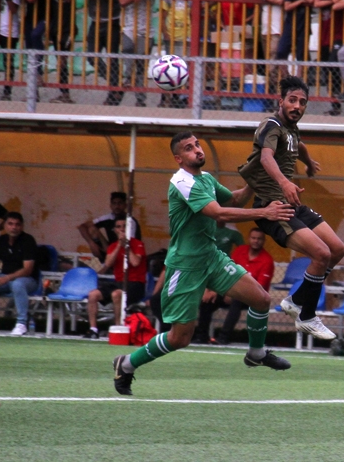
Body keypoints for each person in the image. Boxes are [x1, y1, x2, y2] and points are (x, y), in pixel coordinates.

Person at [112, 132, 295, 396]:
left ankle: (256, 353)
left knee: (261, 299)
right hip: (185, 266)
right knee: (180, 338)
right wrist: (265, 212)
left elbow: (233, 200)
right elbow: (218, 213)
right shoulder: (181, 182)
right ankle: (127, 364)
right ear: (178, 158)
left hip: (211, 256)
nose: (197, 150)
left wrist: (253, 181)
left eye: (197, 144)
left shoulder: (206, 178)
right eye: (189, 148)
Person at [238, 76, 344, 339]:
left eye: (302, 102)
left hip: (292, 203)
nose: (297, 106)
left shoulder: (292, 129)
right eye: (292, 100)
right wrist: (285, 182)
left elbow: (299, 145)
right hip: (273, 207)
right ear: (281, 101)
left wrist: (308, 162)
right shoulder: (271, 126)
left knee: (337, 249)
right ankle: (307, 316)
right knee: (321, 253)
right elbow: (266, 158)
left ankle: (295, 300)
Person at [85, 216, 148, 339]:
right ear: (114, 230)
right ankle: (93, 329)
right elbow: (108, 263)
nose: (122, 229)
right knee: (93, 295)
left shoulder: (138, 244)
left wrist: (127, 246)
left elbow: (135, 262)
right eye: (118, 227)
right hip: (119, 282)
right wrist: (119, 245)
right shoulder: (113, 246)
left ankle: (118, 329)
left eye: (125, 226)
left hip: (135, 284)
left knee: (116, 294)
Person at [74, 0, 122, 106]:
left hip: (111, 22)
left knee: (112, 58)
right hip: (95, 21)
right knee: (91, 56)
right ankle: (116, 85)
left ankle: (113, 94)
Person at [212, 228, 276, 345]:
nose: (256, 241)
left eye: (259, 239)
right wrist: (224, 292)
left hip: (253, 297)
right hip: (231, 291)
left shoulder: (267, 260)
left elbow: (260, 287)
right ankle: (200, 336)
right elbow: (226, 273)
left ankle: (223, 337)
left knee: (237, 301)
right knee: (209, 298)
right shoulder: (239, 251)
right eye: (253, 238)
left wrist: (233, 293)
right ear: (249, 239)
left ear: (264, 241)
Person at [118, 0, 165, 106]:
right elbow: (122, 2)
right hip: (128, 28)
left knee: (140, 65)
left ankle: (140, 100)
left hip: (146, 31)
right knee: (126, 49)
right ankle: (128, 76)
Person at [0, 211, 40, 336]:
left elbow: (27, 270)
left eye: (17, 224)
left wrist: (7, 278)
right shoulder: (0, 240)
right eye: (10, 224)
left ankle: (21, 324)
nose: (14, 227)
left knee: (17, 284)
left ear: (22, 226)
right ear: (4, 225)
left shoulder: (28, 240)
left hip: (28, 280)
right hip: (5, 279)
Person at [244, 0, 291, 90]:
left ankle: (278, 93)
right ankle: (274, 93)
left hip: (278, 27)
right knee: (270, 63)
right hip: (265, 29)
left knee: (274, 62)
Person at [314, 0, 344, 115]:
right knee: (326, 70)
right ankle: (335, 104)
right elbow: (316, 3)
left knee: (333, 61)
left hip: (338, 35)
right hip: (324, 37)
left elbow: (337, 0)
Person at [78, 191, 142, 262]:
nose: (117, 206)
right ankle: (105, 262)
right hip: (111, 251)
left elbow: (132, 244)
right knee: (92, 229)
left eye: (120, 203)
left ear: (125, 205)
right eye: (114, 203)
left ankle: (111, 263)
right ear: (110, 206)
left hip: (128, 253)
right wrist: (91, 243)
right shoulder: (108, 217)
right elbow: (82, 227)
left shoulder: (130, 221)